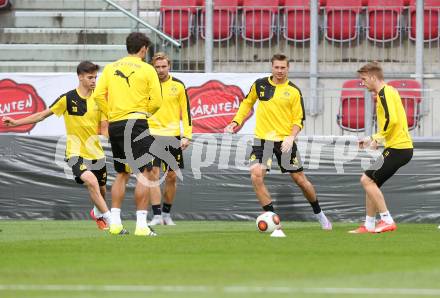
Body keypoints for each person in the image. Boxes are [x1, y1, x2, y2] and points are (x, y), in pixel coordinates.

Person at [225, 54, 332, 230]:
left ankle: (319, 214)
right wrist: (235, 122)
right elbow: (246, 104)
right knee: (256, 175)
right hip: (263, 141)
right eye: (277, 67)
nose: (280, 71)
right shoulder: (260, 84)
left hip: (285, 141)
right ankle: (274, 220)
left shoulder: (294, 91)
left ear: (288, 69)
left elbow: (299, 120)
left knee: (300, 180)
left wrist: (291, 137)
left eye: (283, 68)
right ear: (272, 67)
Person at [2, 61, 112, 230]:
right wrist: (16, 122)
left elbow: (104, 127)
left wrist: (110, 135)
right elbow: (41, 115)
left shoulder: (99, 100)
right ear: (80, 77)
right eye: (90, 77)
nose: (93, 81)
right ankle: (113, 222)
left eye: (95, 77)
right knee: (91, 181)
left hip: (96, 153)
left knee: (101, 190)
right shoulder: (67, 99)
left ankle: (97, 213)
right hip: (75, 152)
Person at [92, 32, 162, 236]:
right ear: (143, 49)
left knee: (122, 173)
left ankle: (115, 223)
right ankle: (141, 225)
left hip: (116, 125)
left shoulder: (111, 68)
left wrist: (111, 114)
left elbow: (97, 95)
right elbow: (157, 101)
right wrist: (145, 112)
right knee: (146, 172)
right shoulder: (147, 69)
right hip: (137, 122)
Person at [350, 62, 413, 234]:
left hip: (399, 148)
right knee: (372, 182)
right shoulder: (389, 91)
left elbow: (392, 120)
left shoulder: (384, 93)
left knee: (366, 180)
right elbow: (395, 121)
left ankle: (387, 220)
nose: (362, 83)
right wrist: (379, 139)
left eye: (364, 79)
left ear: (373, 77)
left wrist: (374, 137)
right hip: (400, 146)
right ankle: (369, 225)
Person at [147, 52, 192, 226]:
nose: (160, 70)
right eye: (157, 67)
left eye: (163, 66)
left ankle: (166, 214)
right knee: (153, 174)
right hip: (152, 134)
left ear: (169, 66)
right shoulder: (148, 85)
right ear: (153, 67)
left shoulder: (178, 85)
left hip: (172, 135)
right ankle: (156, 215)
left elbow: (186, 112)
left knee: (171, 176)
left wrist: (187, 135)